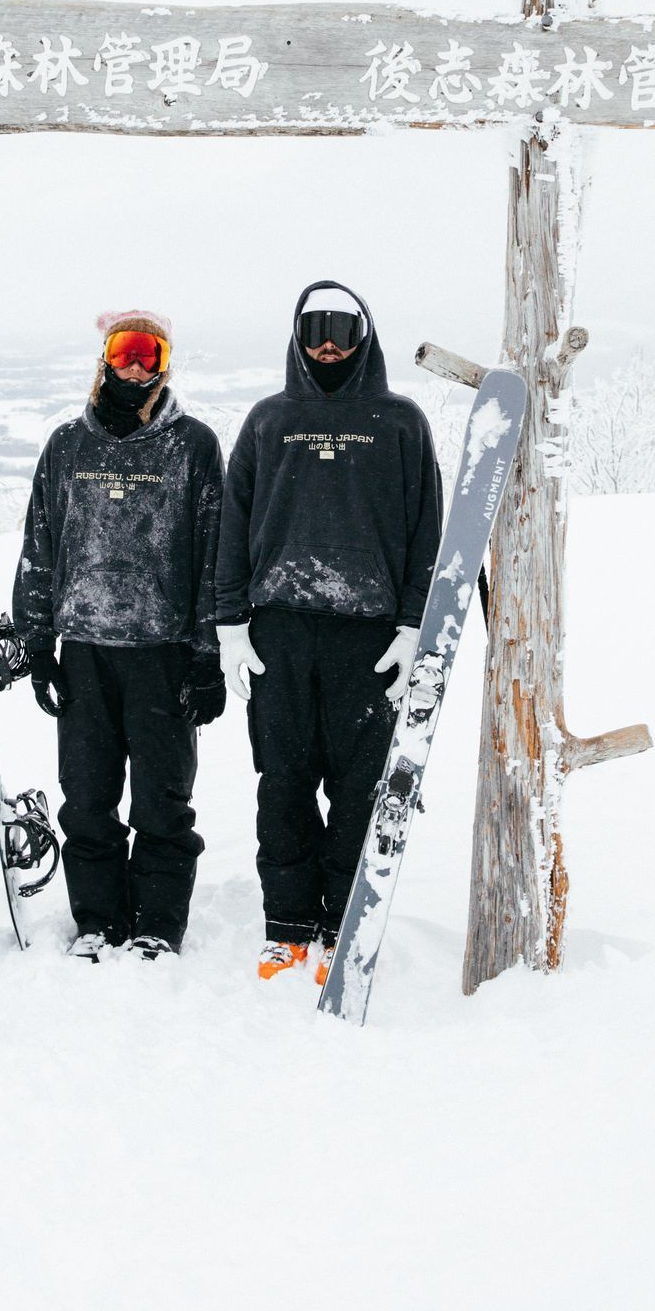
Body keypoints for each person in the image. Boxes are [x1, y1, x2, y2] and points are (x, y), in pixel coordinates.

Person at [0, 309, 225, 961]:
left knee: (162, 804)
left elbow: (213, 557)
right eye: (124, 350)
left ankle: (157, 926)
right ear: (105, 358)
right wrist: (37, 646)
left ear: (164, 362)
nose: (135, 365)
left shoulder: (193, 446)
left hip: (163, 654)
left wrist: (207, 657)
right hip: (83, 654)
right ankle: (98, 923)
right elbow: (40, 548)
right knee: (86, 800)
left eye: (149, 352)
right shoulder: (67, 446)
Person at [216, 281, 443, 985]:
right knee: (282, 783)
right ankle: (287, 928)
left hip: (368, 639)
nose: (327, 346)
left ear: (363, 338)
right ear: (297, 336)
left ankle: (343, 924)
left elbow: (427, 531)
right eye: (315, 330)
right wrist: (230, 623)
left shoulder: (400, 422)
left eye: (342, 331)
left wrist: (413, 624)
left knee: (359, 788)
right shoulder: (268, 420)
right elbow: (233, 523)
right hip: (279, 632)